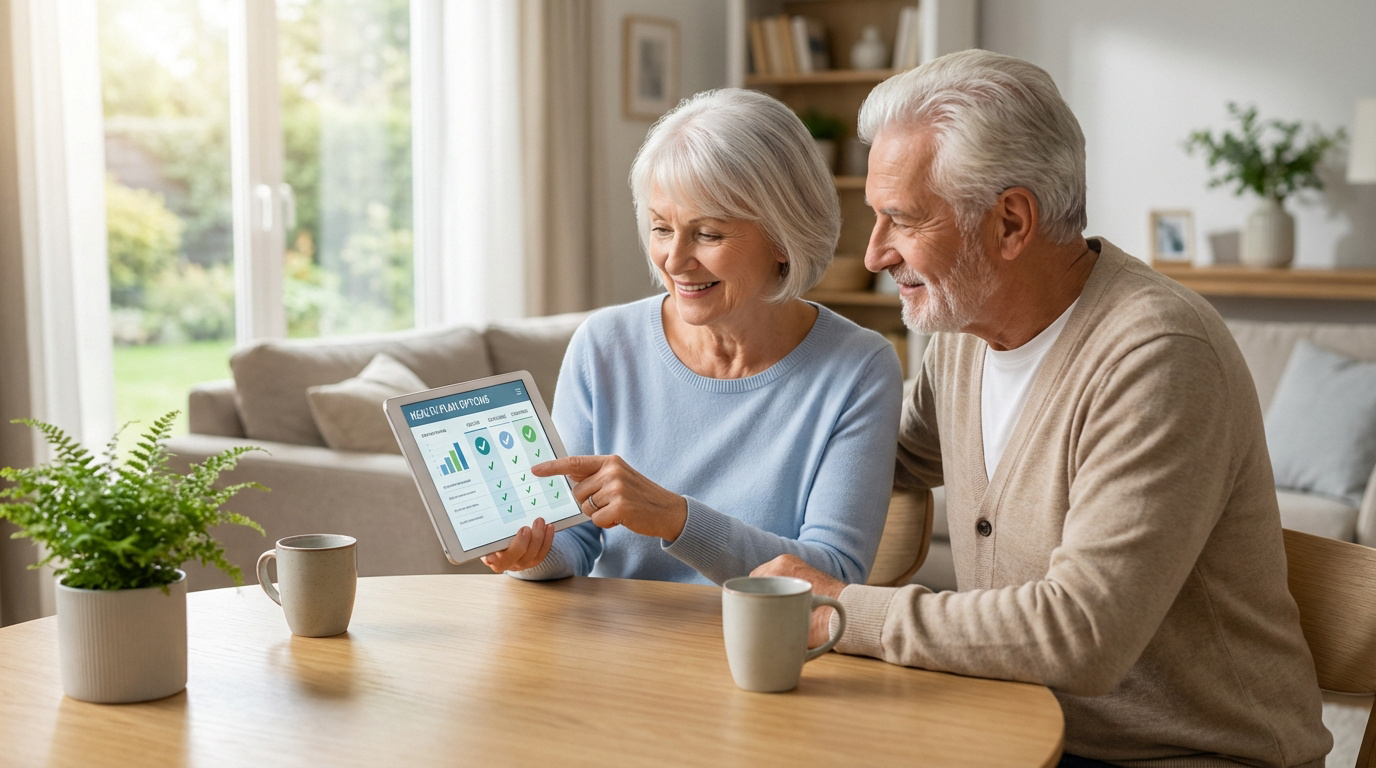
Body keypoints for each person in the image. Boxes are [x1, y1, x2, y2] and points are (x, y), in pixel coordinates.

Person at [753, 50, 1332, 767]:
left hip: (1183, 755)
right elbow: (864, 451)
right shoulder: (966, 336)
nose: (874, 253)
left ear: (1011, 223)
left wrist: (840, 606)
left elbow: (1080, 633)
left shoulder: (1157, 354)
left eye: (900, 219)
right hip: (1017, 732)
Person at [480, 88, 903, 587]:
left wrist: (677, 519)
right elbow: (573, 542)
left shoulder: (859, 368)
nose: (675, 261)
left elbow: (832, 575)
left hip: (758, 653)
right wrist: (529, 553)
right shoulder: (603, 345)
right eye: (661, 228)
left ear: (784, 237)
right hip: (612, 651)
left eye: (708, 234)